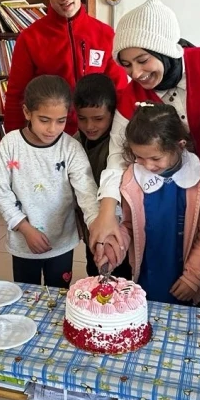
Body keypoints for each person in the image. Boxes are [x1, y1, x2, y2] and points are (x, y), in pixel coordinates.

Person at [90, 0, 200, 268]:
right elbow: (117, 158)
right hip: (176, 200)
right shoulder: (129, 98)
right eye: (127, 65)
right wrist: (108, 209)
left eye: (143, 60)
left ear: (165, 49)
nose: (136, 73)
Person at [3, 0, 128, 135]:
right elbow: (16, 96)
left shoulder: (106, 35)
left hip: (100, 137)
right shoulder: (29, 38)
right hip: (51, 138)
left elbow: (120, 93)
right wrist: (15, 144)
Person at [0, 76, 100, 288]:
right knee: (27, 296)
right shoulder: (10, 144)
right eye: (44, 120)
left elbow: (87, 194)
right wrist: (25, 228)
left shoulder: (70, 148)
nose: (52, 129)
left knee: (59, 297)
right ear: (27, 113)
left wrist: (97, 227)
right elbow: (2, 193)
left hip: (61, 242)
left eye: (60, 121)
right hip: (23, 241)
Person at [115, 104, 200, 306]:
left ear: (180, 145)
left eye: (155, 158)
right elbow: (127, 226)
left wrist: (194, 277)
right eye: (140, 157)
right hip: (147, 275)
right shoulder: (132, 177)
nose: (148, 166)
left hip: (186, 278)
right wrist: (114, 247)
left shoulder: (199, 177)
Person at [73, 74, 132, 280]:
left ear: (113, 113)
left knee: (122, 280)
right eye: (82, 118)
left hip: (120, 231)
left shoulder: (122, 146)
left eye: (98, 118)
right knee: (95, 274)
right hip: (91, 227)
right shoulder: (74, 143)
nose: (89, 126)